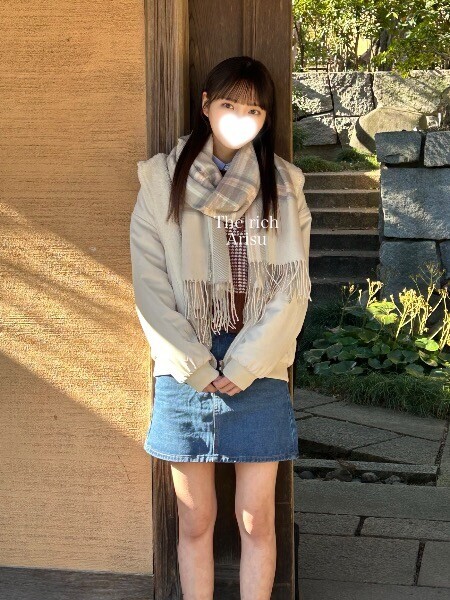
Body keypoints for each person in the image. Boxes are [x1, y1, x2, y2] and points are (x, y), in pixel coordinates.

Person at [129, 55, 312, 600]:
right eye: (229, 104)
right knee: (194, 520)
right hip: (185, 362)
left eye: (253, 110)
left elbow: (292, 287)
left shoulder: (284, 185)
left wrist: (248, 361)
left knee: (257, 520)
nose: (239, 117)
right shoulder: (161, 181)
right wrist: (194, 363)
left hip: (260, 360)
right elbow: (150, 286)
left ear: (265, 118)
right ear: (206, 104)